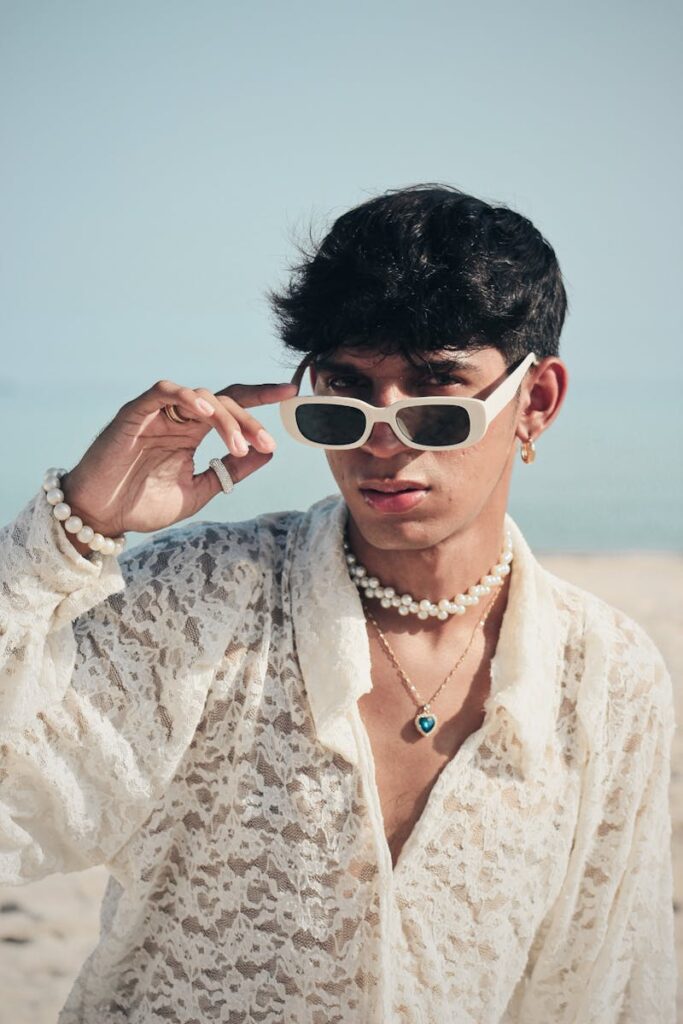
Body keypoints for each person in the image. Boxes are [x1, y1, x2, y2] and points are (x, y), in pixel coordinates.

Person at [0, 183, 676, 1023]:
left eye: (436, 400)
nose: (381, 441)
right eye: (344, 396)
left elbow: (604, 985)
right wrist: (79, 526)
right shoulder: (198, 601)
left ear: (534, 403)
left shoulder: (606, 678)